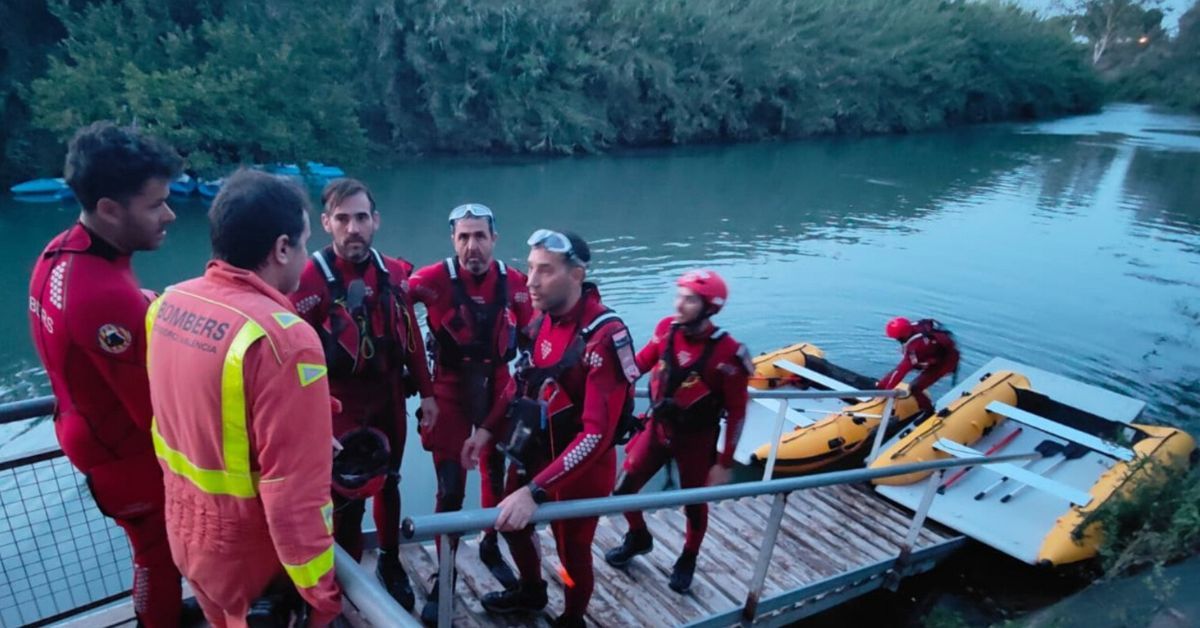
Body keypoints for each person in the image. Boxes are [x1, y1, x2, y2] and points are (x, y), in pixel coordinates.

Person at [145, 169, 342, 626]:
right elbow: (292, 495)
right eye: (305, 242)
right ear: (280, 248)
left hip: (187, 535)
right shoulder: (284, 341)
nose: (307, 258)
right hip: (252, 561)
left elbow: (194, 415)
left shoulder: (167, 305)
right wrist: (321, 593)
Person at [27, 121, 187, 627]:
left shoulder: (62, 252)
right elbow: (157, 413)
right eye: (155, 204)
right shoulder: (103, 295)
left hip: (84, 426)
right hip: (122, 454)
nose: (169, 214)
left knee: (152, 555)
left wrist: (148, 306)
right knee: (158, 561)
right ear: (110, 209)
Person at [290, 178, 436, 611]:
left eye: (361, 217)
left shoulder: (393, 273)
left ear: (375, 221)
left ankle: (390, 562)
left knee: (389, 484)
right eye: (342, 218)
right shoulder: (307, 279)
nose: (353, 228)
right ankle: (347, 582)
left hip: (389, 398)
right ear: (325, 223)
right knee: (343, 497)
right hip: (337, 406)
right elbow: (286, 358)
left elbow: (411, 338)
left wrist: (427, 395)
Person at [481, 230, 639, 628]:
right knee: (510, 525)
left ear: (576, 274)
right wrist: (485, 430)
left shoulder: (605, 337)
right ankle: (532, 590)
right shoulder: (541, 319)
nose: (530, 280)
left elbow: (596, 435)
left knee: (572, 552)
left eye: (545, 271)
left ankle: (572, 616)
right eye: (530, 268)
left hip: (582, 471)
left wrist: (536, 492)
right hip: (537, 449)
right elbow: (523, 382)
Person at [408, 203, 534, 623]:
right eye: (463, 237)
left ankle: (490, 541)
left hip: (497, 385)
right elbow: (392, 302)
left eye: (480, 236)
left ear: (494, 239)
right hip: (449, 388)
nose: (472, 246)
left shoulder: (515, 284)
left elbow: (538, 334)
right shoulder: (432, 280)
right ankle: (445, 573)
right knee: (449, 489)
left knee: (495, 474)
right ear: (452, 240)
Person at [602, 269, 751, 593]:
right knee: (623, 491)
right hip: (657, 430)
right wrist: (600, 377)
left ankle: (688, 556)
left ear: (710, 307)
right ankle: (638, 537)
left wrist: (724, 462)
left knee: (695, 506)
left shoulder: (729, 355)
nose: (679, 305)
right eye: (679, 297)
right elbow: (636, 367)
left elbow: (738, 412)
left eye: (689, 300)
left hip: (697, 442)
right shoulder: (664, 332)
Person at [877, 316, 961, 413]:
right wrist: (881, 387)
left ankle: (929, 412)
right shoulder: (916, 326)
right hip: (937, 355)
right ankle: (880, 387)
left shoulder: (916, 347)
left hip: (944, 363)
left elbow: (901, 371)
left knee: (915, 388)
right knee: (899, 370)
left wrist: (886, 392)